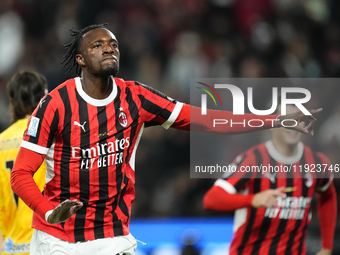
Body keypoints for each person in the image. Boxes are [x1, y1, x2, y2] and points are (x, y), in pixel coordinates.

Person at [10, 24, 321, 255]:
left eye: (113, 44)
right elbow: (21, 174)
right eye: (98, 45)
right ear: (79, 59)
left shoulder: (136, 97)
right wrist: (48, 209)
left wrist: (274, 120)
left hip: (113, 237)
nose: (108, 49)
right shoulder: (55, 104)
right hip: (58, 240)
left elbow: (207, 120)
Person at [203, 104, 337, 255]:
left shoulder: (317, 162)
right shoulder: (253, 159)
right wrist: (253, 200)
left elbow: (328, 196)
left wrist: (327, 247)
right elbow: (211, 199)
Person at [0, 70, 47, 255]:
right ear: (45, 96)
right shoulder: (49, 137)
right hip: (47, 245)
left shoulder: (1, 142)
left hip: (11, 247)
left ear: (11, 101)